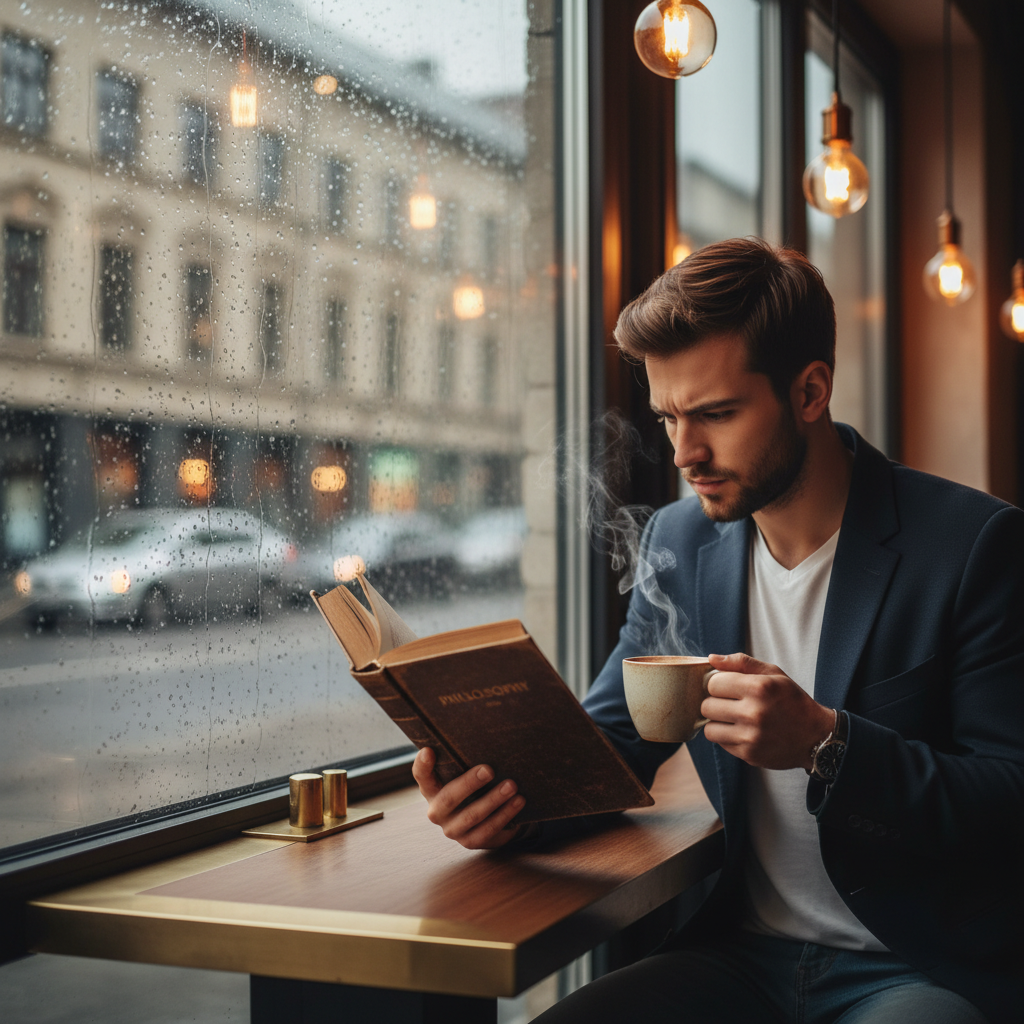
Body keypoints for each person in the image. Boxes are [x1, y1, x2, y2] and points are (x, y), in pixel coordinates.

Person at [412, 238, 1024, 1024]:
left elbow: (1009, 799)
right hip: (737, 955)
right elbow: (611, 749)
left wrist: (827, 744)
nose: (684, 454)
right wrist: (504, 803)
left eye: (716, 415)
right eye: (668, 418)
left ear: (810, 391)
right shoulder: (678, 541)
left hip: (915, 965)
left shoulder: (975, 545)